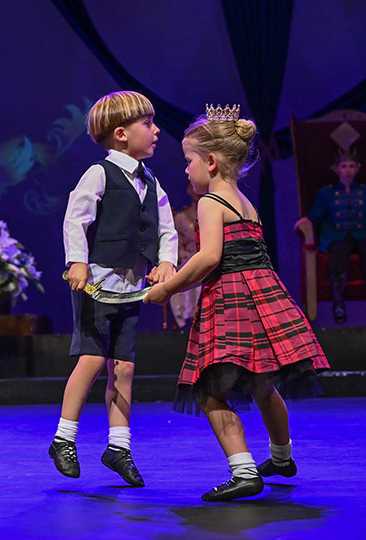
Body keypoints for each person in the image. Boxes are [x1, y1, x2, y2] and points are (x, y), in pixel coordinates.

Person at [144, 105, 329, 502]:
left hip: (232, 302)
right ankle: (281, 457)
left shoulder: (210, 203)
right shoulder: (245, 202)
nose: (186, 170)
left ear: (210, 162)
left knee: (209, 390)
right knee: (264, 385)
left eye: (188, 161)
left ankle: (243, 470)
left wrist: (168, 288)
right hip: (265, 296)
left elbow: (209, 256)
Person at [50, 90, 178, 487]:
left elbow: (166, 227)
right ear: (121, 134)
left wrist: (167, 262)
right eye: (148, 124)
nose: (156, 131)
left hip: (132, 285)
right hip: (97, 283)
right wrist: (77, 261)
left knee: (124, 366)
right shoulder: (99, 173)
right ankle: (63, 438)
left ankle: (118, 446)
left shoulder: (151, 182)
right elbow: (77, 218)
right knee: (91, 359)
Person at [298, 146, 366, 323]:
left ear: (358, 168)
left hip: (361, 233)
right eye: (344, 166)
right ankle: (338, 300)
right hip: (336, 235)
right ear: (337, 169)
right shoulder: (326, 193)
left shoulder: (364, 191)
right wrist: (305, 222)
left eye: (352, 166)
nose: (348, 170)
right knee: (339, 250)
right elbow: (315, 215)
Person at [169, 181, 201, 329]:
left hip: (208, 259)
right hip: (189, 259)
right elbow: (177, 246)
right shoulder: (181, 217)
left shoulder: (213, 212)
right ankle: (187, 318)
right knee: (189, 268)